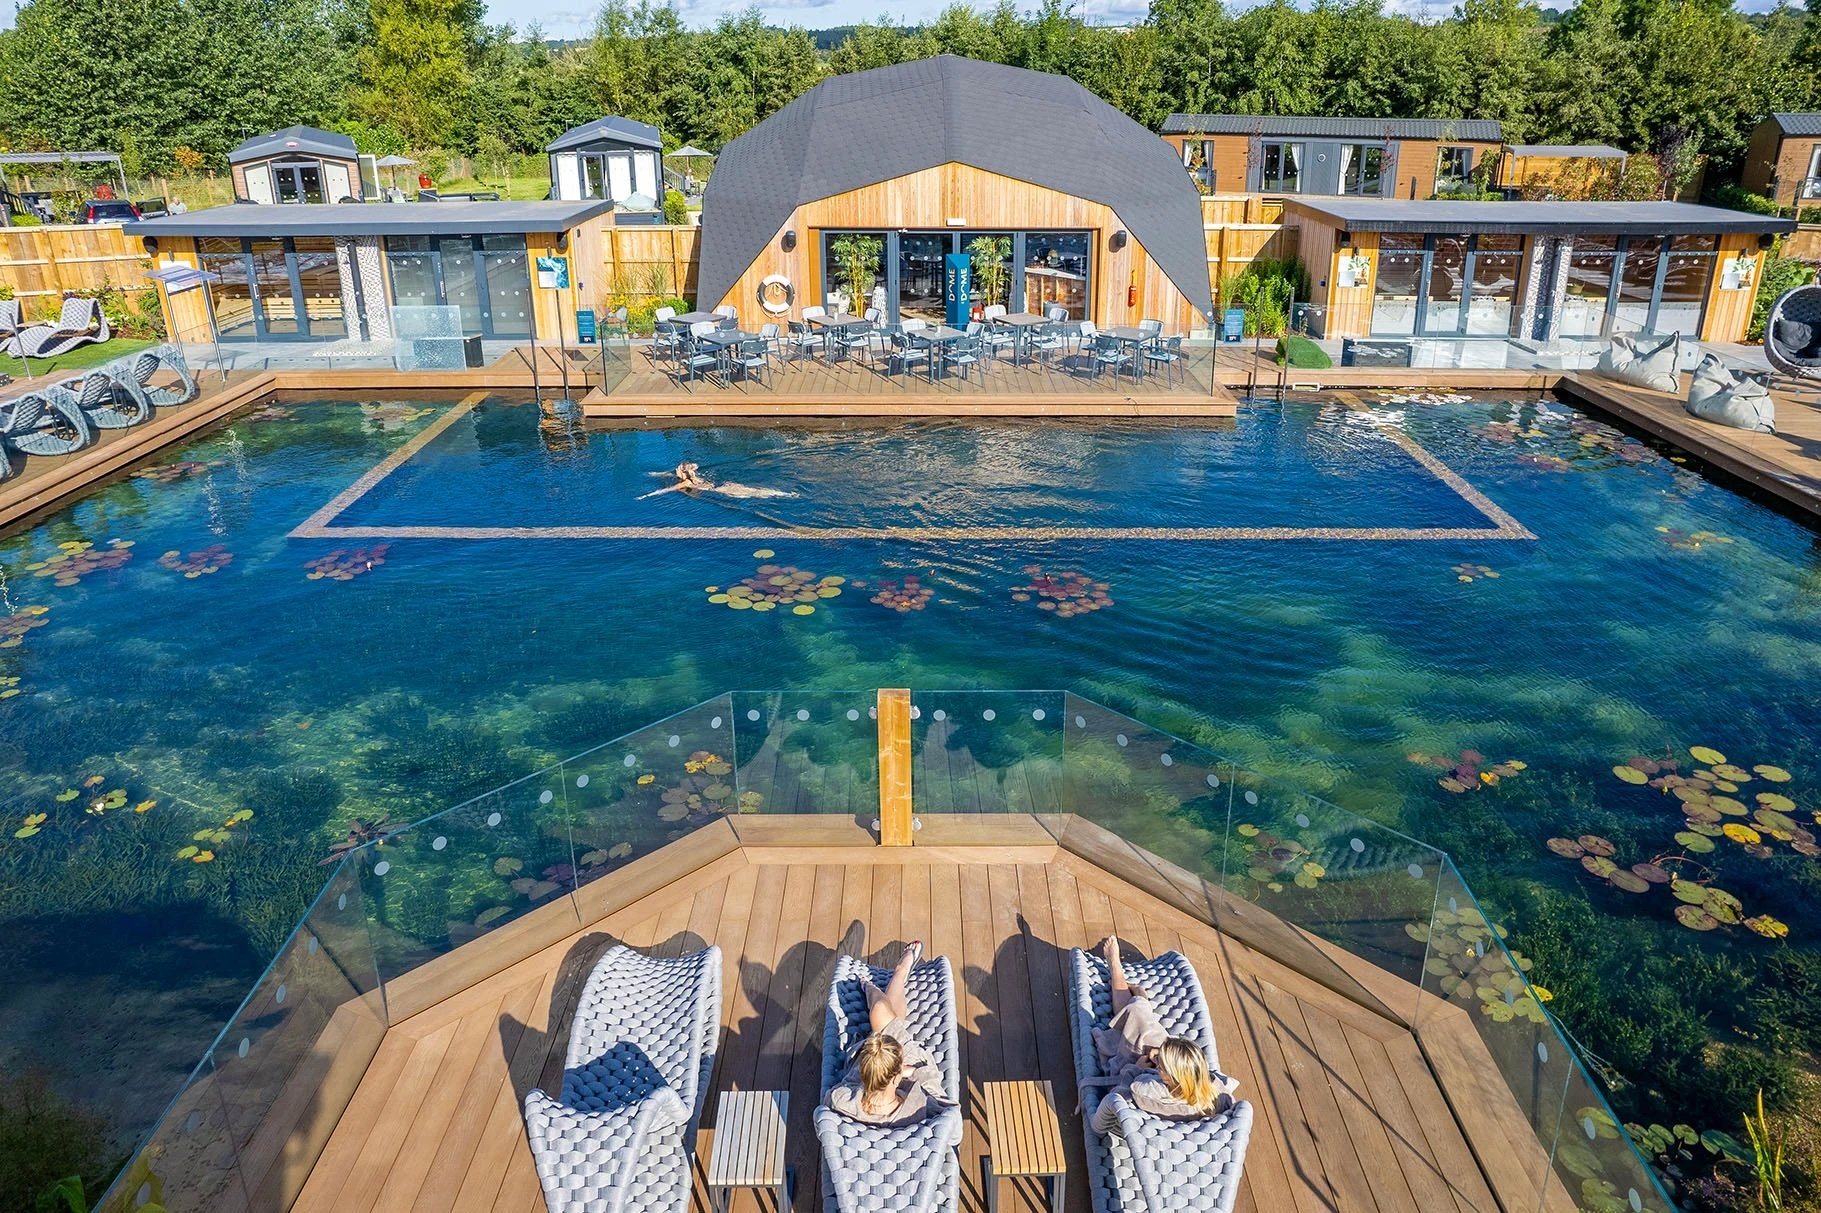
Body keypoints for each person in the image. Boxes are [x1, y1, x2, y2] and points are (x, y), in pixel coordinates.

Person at [1083, 934, 1237, 1134]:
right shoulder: (1214, 1096)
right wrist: (1163, 1059)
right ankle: (1137, 998)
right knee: (1143, 1020)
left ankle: (1118, 972)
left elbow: (1119, 1095)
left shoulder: (1147, 1092)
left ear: (1171, 1076)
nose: (1156, 1056)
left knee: (1137, 1014)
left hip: (1127, 1068)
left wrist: (1136, 1069)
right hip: (1170, 1077)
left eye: (1162, 1063)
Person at [826, 942, 954, 1126]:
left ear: (865, 1074)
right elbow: (953, 1124)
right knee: (883, 1014)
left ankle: (877, 985)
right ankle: (889, 978)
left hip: (878, 1077)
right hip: (905, 1073)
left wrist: (872, 1074)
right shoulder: (922, 1106)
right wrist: (913, 1071)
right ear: (896, 1076)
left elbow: (826, 1105)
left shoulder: (842, 1101)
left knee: (882, 1014)